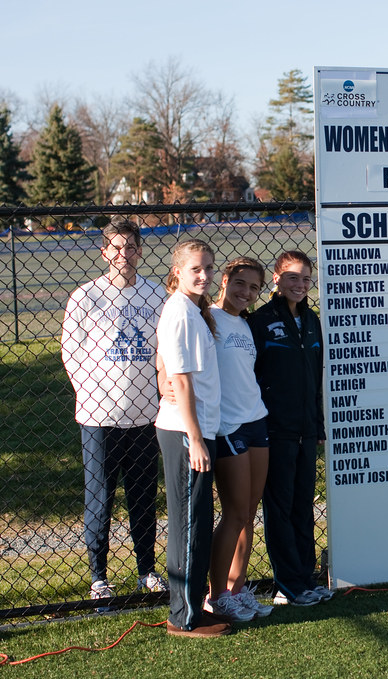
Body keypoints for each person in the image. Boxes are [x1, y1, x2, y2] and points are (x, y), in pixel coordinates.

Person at [159, 257, 274, 622]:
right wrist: (165, 381)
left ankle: (238, 590)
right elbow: (171, 356)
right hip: (226, 427)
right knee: (235, 511)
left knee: (249, 512)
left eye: (254, 287)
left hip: (256, 419)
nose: (245, 292)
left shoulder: (246, 323)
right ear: (224, 280)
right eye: (239, 283)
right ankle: (217, 595)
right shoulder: (204, 315)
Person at [60, 216, 168, 602]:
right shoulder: (86, 297)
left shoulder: (156, 295)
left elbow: (166, 350)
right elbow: (71, 355)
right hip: (99, 417)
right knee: (100, 497)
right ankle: (98, 578)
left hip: (145, 415)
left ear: (140, 250)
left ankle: (146, 571)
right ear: (105, 251)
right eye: (117, 247)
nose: (124, 254)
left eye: (131, 247)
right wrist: (94, 395)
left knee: (143, 496)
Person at [247, 251, 332, 606]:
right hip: (274, 431)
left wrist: (318, 424)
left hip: (306, 431)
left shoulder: (312, 321)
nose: (300, 285)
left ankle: (306, 577)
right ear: (277, 279)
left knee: (303, 506)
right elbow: (250, 378)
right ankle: (288, 584)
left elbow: (316, 378)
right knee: (279, 508)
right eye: (292, 277)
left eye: (305, 279)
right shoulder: (261, 322)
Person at [155, 239, 230, 637]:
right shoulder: (180, 312)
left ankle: (192, 610)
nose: (204, 276)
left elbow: (165, 360)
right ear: (178, 272)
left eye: (208, 268)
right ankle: (182, 617)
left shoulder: (190, 310)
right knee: (188, 523)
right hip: (187, 432)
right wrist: (195, 437)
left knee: (198, 519)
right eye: (196, 269)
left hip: (200, 429)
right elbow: (181, 382)